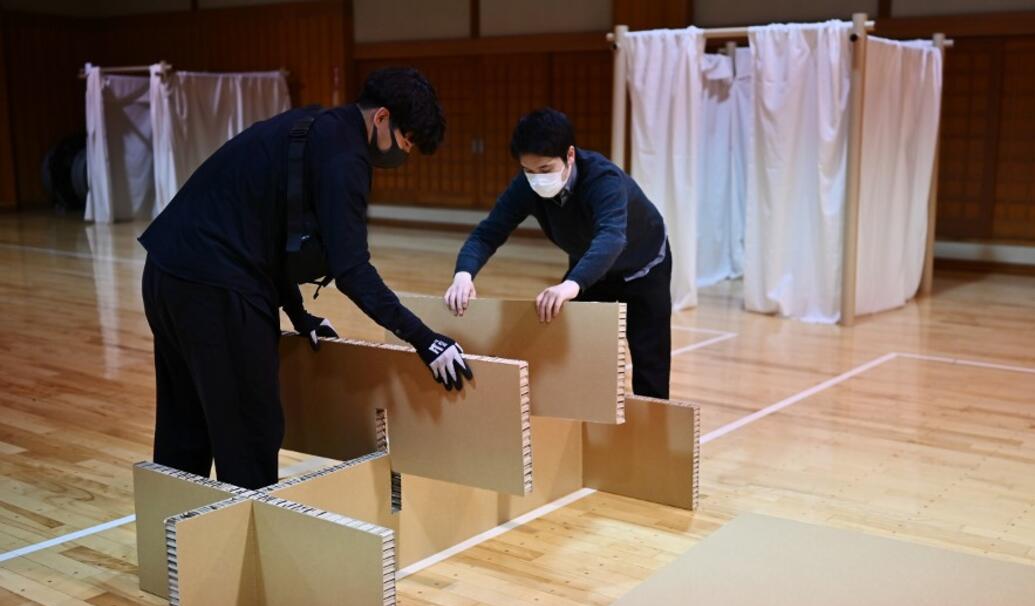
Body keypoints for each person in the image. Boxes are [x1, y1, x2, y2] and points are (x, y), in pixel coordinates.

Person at [139, 67, 473, 490]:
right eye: (405, 142)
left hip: (166, 271)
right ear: (382, 118)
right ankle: (249, 552)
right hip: (217, 287)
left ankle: (175, 546)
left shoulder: (312, 126)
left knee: (184, 425)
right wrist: (426, 339)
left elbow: (271, 236)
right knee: (250, 431)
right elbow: (352, 270)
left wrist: (300, 317)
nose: (402, 155)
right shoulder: (345, 158)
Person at [444, 108, 671, 399]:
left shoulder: (603, 179)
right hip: (591, 268)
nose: (536, 179)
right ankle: (586, 436)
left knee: (650, 366)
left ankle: (649, 441)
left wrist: (570, 284)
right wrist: (463, 274)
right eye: (528, 170)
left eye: (545, 170)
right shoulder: (526, 186)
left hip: (643, 267)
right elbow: (488, 232)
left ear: (570, 156)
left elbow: (612, 237)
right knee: (579, 360)